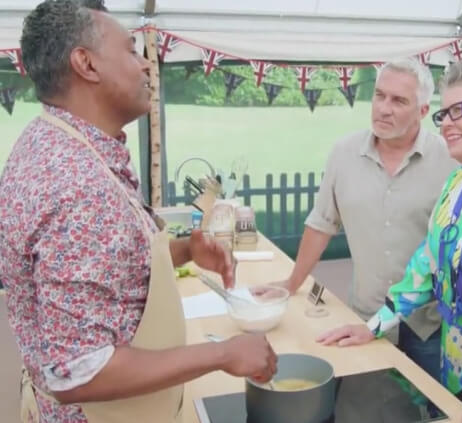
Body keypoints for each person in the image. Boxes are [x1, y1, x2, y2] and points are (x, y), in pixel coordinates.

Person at [0, 1, 276, 422]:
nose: (146, 66)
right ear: (86, 64)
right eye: (131, 51)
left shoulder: (58, 144)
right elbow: (79, 371)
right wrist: (222, 353)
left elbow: (106, 270)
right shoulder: (78, 187)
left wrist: (183, 251)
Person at [317, 60, 462, 423]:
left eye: (460, 111)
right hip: (455, 376)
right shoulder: (458, 185)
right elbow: (425, 268)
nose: (447, 124)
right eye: (444, 114)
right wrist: (372, 326)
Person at [274, 59, 459, 379]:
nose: (384, 108)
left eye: (399, 100)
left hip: (429, 326)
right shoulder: (343, 153)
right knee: (363, 407)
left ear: (424, 111)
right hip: (364, 315)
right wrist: (292, 284)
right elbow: (321, 223)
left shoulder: (452, 161)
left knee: (432, 411)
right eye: (379, 95)